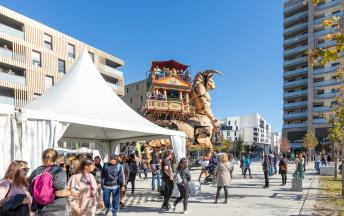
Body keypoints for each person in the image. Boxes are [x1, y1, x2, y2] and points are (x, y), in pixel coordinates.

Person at [29, 148, 77, 215]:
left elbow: (31, 191)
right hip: (56, 210)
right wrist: (72, 192)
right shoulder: (59, 171)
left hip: (39, 210)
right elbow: (59, 192)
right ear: (56, 158)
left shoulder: (35, 172)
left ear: (42, 158)